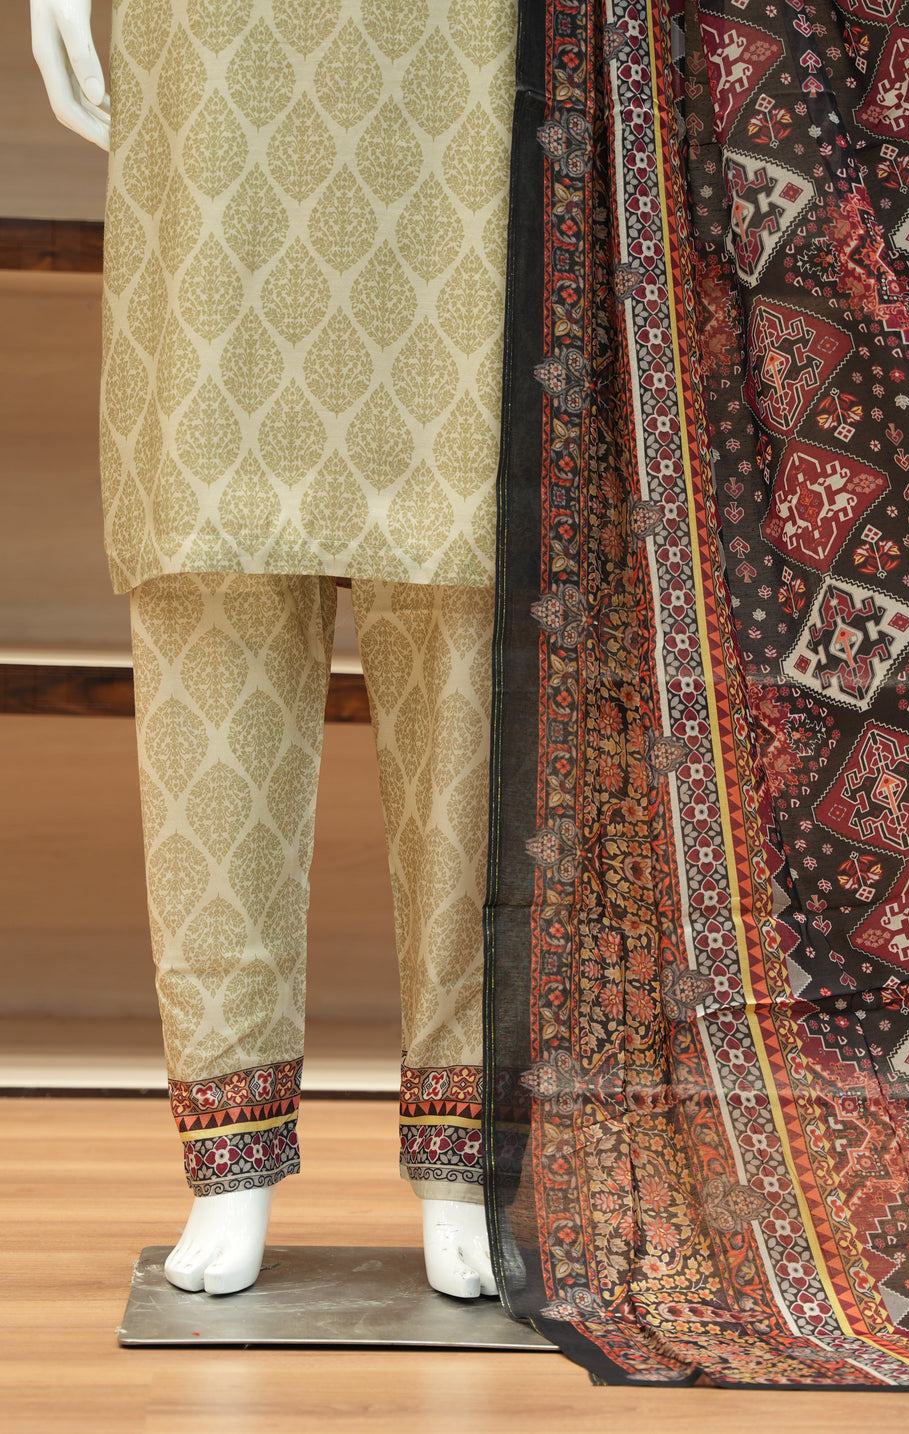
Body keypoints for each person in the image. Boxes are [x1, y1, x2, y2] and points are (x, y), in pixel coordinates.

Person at [30, 0, 515, 1298]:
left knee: (468, 573)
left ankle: (470, 1160)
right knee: (209, 565)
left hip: (460, 53)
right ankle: (225, 1159)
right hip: (219, 45)